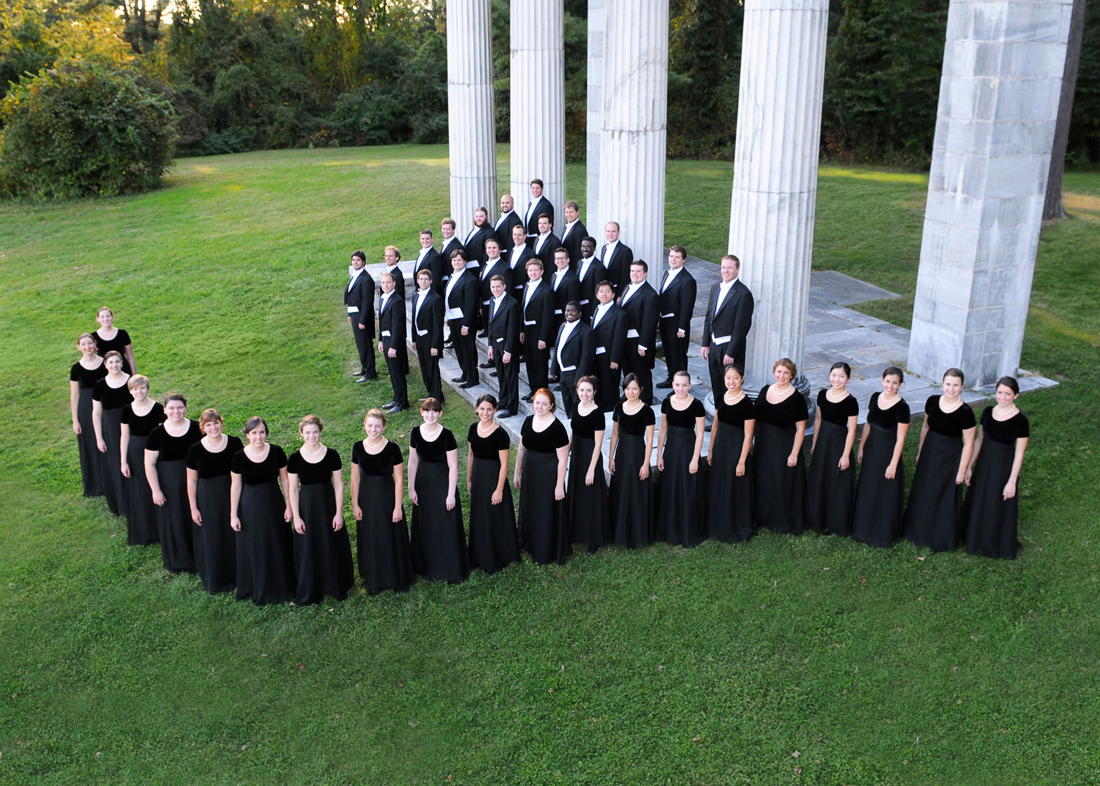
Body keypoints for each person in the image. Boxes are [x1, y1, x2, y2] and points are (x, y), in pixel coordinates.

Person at [903, 368, 976, 552]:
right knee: (925, 490)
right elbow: (926, 427)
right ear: (942, 383)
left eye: (956, 385)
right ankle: (918, 532)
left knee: (943, 495)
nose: (951, 388)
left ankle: (939, 538)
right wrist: (921, 451)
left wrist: (961, 470)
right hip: (930, 451)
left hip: (950, 456)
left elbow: (968, 444)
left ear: (962, 386)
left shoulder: (966, 412)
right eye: (948, 384)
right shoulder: (932, 401)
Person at [287, 415, 354, 605]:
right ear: (301, 433)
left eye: (315, 432)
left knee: (329, 542)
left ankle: (333, 583)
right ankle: (312, 585)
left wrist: (339, 512)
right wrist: (297, 517)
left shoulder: (332, 455)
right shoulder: (295, 458)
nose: (312, 436)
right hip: (306, 507)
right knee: (309, 545)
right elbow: (292, 489)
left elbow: (339, 484)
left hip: (327, 505)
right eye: (307, 432)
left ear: (320, 431)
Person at [963, 377, 1030, 559]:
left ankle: (991, 542)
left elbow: (1019, 454)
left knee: (995, 502)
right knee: (979, 499)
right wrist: (969, 466)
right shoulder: (987, 412)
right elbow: (978, 441)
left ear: (1015, 395)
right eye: (1000, 392)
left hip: (1003, 467)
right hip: (984, 463)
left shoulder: (1021, 421)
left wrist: (1012, 481)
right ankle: (974, 538)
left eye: (1008, 394)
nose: (1003, 397)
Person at [230, 417, 295, 605]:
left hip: (274, 503)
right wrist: (234, 514)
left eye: (262, 432)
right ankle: (259, 586)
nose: (258, 436)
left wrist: (289, 505)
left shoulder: (276, 452)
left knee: (277, 542)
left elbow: (285, 481)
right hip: (250, 507)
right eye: (254, 433)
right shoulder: (239, 457)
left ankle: (282, 585)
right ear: (247, 434)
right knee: (256, 545)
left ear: (266, 433)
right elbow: (235, 487)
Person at [351, 409, 415, 594]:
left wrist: (397, 507)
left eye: (377, 426)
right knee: (371, 537)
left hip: (387, 499)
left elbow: (399, 480)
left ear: (384, 427)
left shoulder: (393, 448)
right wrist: (355, 504)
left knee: (389, 535)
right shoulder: (357, 447)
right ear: (364, 426)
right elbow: (354, 478)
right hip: (366, 500)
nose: (373, 429)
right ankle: (375, 576)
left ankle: (393, 575)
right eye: (370, 425)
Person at [408, 398, 469, 583]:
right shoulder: (415, 433)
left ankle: (446, 566)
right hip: (423, 485)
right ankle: (425, 564)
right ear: (421, 412)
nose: (431, 414)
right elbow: (412, 461)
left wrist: (450, 494)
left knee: (444, 525)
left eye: (434, 411)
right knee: (426, 524)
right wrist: (411, 488)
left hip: (442, 485)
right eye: (427, 410)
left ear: (440, 413)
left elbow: (453, 467)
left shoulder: (447, 435)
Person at [851, 367, 911, 548]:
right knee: (868, 489)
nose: (890, 386)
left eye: (895, 382)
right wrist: (861, 446)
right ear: (882, 380)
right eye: (888, 381)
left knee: (884, 493)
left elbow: (901, 438)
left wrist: (893, 464)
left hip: (887, 453)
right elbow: (868, 424)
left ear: (900, 384)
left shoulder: (902, 407)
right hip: (871, 450)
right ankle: (863, 529)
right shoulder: (875, 397)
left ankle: (881, 533)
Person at [186, 408, 242, 594]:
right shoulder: (195, 449)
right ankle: (218, 578)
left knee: (233, 533)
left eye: (216, 423)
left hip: (232, 493)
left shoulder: (234, 443)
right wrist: (194, 508)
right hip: (207, 498)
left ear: (221, 422)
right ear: (203, 427)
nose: (213, 427)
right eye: (208, 425)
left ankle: (239, 575)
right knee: (213, 536)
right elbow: (192, 480)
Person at [145, 393, 202, 573]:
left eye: (179, 407)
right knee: (174, 519)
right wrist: (156, 490)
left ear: (185, 408)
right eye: (171, 408)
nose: (175, 411)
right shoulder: (157, 433)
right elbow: (149, 463)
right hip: (169, 484)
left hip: (196, 480)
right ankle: (179, 560)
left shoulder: (196, 428)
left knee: (195, 516)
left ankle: (200, 556)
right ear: (164, 410)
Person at [514, 389, 570, 565]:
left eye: (545, 403)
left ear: (552, 405)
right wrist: (517, 473)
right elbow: (522, 450)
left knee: (545, 511)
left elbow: (563, 459)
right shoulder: (528, 421)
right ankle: (530, 544)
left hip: (548, 474)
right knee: (531, 507)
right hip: (530, 473)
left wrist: (559, 484)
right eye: (537, 403)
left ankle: (544, 551)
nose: (540, 406)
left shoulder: (558, 428)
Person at [753, 358, 809, 535]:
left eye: (786, 372)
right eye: (779, 371)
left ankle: (780, 518)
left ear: (792, 375)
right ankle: (762, 516)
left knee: (780, 482)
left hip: (783, 445)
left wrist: (794, 453)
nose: (782, 375)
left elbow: (800, 429)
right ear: (774, 371)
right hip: (763, 443)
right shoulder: (764, 390)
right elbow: (755, 419)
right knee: (763, 479)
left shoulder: (797, 399)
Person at [466, 394, 520, 574]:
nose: (485, 412)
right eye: (482, 409)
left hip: (493, 478)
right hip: (478, 477)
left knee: (493, 515)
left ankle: (497, 554)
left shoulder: (500, 434)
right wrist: (469, 479)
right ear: (476, 409)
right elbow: (471, 455)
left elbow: (504, 464)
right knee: (479, 514)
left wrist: (499, 489)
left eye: (489, 409)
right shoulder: (473, 429)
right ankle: (478, 553)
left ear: (495, 410)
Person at [805, 362, 860, 536]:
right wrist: (815, 442)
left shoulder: (851, 402)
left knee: (836, 479)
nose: (837, 379)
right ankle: (815, 517)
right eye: (834, 375)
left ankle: (833, 521)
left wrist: (845, 455)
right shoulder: (822, 394)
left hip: (838, 443)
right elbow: (819, 419)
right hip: (823, 442)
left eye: (842, 376)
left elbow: (851, 430)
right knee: (820, 476)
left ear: (848, 379)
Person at [655, 370, 707, 547]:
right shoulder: (666, 402)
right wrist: (659, 453)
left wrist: (694, 459)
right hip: (671, 450)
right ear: (672, 385)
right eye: (677, 385)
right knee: (671, 487)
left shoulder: (697, 405)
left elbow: (700, 434)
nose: (681, 388)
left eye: (684, 385)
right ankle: (671, 530)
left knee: (688, 488)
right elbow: (663, 430)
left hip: (687, 449)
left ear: (690, 386)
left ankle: (687, 530)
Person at [707, 364, 755, 543]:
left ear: (742, 379)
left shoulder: (747, 403)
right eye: (728, 378)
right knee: (721, 484)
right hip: (721, 448)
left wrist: (742, 460)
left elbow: (749, 434)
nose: (732, 381)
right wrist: (711, 449)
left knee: (735, 486)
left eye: (735, 377)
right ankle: (720, 523)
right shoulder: (720, 397)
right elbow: (716, 425)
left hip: (736, 448)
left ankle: (736, 524)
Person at [609, 374, 656, 548]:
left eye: (634, 388)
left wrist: (645, 464)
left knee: (636, 492)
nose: (631, 391)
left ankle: (636, 534)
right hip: (621, 455)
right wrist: (611, 457)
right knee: (621, 490)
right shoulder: (618, 408)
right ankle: (619, 532)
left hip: (637, 454)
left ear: (641, 390)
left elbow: (650, 440)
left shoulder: (647, 411)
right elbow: (614, 434)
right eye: (628, 388)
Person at [119, 375, 165, 546]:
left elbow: (164, 434)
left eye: (142, 388)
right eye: (135, 389)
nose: (139, 391)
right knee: (140, 491)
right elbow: (124, 437)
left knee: (157, 487)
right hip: (135, 454)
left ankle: (160, 530)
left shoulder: (158, 408)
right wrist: (123, 461)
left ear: (147, 388)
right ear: (130, 391)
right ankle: (145, 531)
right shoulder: (126, 410)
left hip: (155, 453)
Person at [701, 255, 754, 398]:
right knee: (716, 386)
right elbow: (709, 317)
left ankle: (730, 420)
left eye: (730, 268)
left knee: (730, 389)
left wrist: (731, 351)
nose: (725, 270)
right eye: (723, 267)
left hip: (729, 349)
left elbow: (742, 326)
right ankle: (718, 417)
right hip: (713, 346)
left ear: (737, 269)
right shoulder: (715, 287)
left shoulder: (743, 294)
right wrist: (705, 343)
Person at [567, 376, 609, 553]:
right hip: (576, 455)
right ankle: (576, 532)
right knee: (577, 494)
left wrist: (591, 470)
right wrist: (565, 453)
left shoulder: (598, 413)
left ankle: (593, 538)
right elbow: (573, 432)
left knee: (590, 498)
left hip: (590, 456)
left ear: (594, 392)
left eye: (588, 391)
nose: (585, 394)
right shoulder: (576, 406)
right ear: (577, 391)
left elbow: (598, 444)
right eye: (582, 390)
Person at [91, 350, 132, 517]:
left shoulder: (130, 381)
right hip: (110, 428)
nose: (114, 365)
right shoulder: (100, 385)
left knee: (132, 461)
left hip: (131, 426)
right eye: (111, 362)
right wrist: (99, 437)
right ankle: (122, 504)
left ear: (122, 363)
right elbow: (96, 413)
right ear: (105, 365)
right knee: (116, 463)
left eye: (117, 361)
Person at [70, 333, 107, 497]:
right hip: (86, 407)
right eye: (83, 344)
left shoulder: (105, 362)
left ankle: (110, 482)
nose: (87, 347)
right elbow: (75, 395)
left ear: (94, 344)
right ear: (79, 347)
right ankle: (95, 485)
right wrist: (75, 420)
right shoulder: (76, 368)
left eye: (89, 343)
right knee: (91, 443)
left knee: (107, 440)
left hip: (105, 404)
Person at [619, 261, 660, 404]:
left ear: (645, 273)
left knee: (641, 371)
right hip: (625, 338)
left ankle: (646, 398)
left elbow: (649, 322)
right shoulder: (627, 287)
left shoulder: (650, 294)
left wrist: (643, 344)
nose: (634, 274)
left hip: (638, 341)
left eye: (638, 271)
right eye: (632, 271)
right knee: (628, 370)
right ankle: (629, 395)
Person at [656, 245, 697, 387]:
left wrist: (682, 328)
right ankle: (671, 378)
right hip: (665, 321)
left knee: (678, 354)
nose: (673, 259)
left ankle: (681, 384)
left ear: (684, 260)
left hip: (677, 323)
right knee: (668, 351)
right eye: (671, 256)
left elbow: (687, 306)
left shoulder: (687, 280)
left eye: (677, 257)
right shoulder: (667, 274)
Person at [444, 250, 480, 388]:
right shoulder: (452, 276)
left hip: (464, 321)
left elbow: (470, 304)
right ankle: (465, 373)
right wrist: (448, 316)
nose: (456, 263)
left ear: (465, 262)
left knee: (468, 349)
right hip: (454, 319)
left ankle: (472, 378)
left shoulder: (470, 280)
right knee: (459, 348)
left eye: (459, 260)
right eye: (454, 260)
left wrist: (466, 324)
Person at [589, 281, 627, 412]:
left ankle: (611, 415)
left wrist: (615, 359)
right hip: (596, 356)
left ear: (613, 294)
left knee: (610, 387)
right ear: (597, 295)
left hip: (609, 357)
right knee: (598, 386)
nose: (604, 294)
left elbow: (619, 338)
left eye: (607, 291)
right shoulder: (597, 309)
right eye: (601, 291)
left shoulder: (619, 314)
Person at [551, 302, 594, 417]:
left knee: (577, 405)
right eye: (567, 310)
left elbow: (586, 357)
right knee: (567, 402)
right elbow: (558, 348)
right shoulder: (562, 326)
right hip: (563, 373)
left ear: (580, 313)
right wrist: (554, 368)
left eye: (573, 311)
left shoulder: (586, 331)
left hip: (575, 374)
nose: (570, 313)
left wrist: (579, 377)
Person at [486, 275, 521, 417]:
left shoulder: (512, 304)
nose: (495, 289)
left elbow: (513, 330)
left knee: (511, 377)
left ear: (504, 286)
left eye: (498, 286)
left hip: (507, 346)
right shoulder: (492, 301)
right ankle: (503, 400)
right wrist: (490, 345)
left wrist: (508, 350)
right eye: (493, 287)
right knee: (501, 374)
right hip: (496, 344)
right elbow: (490, 324)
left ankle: (512, 407)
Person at [520, 259, 555, 400]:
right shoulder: (527, 286)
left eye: (536, 270)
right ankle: (533, 390)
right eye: (530, 270)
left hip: (539, 332)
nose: (533, 273)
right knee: (530, 362)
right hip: (528, 331)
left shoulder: (546, 290)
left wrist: (543, 338)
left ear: (541, 271)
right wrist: (522, 330)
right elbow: (523, 310)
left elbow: (548, 316)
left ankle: (542, 393)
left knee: (540, 364)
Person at [377, 271, 409, 412]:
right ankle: (396, 398)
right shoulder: (383, 298)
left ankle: (402, 403)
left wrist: (394, 346)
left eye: (388, 282)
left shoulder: (397, 301)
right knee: (392, 371)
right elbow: (382, 322)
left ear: (394, 283)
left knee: (397, 372)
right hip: (386, 340)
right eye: (383, 282)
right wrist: (380, 340)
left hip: (394, 343)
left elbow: (398, 326)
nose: (385, 285)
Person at [412, 269, 445, 403]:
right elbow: (414, 319)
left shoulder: (435, 299)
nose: (423, 281)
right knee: (424, 367)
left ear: (431, 281)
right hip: (420, 338)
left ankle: (437, 397)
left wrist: (435, 345)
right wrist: (414, 339)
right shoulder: (416, 296)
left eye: (426, 279)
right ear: (417, 281)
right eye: (421, 279)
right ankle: (430, 393)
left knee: (432, 369)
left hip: (430, 338)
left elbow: (438, 325)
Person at [345, 250, 377, 383]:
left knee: (366, 344)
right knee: (360, 343)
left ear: (363, 262)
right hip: (354, 314)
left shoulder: (366, 279)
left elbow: (367, 301)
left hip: (362, 316)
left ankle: (370, 372)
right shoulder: (355, 275)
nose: (355, 262)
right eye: (353, 260)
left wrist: (363, 320)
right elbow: (352, 296)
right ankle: (365, 367)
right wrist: (349, 313)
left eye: (358, 260)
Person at [479, 238, 511, 336]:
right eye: (489, 248)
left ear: (499, 250)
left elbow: (508, 290)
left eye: (494, 248)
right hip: (486, 305)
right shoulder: (485, 265)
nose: (491, 250)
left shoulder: (505, 268)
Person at [92, 306, 136, 374]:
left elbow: (130, 357)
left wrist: (134, 377)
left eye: (108, 316)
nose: (106, 319)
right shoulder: (93, 337)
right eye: (102, 317)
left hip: (123, 372)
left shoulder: (123, 334)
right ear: (98, 319)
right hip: (103, 374)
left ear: (113, 317)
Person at [549, 247, 580, 341]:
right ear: (554, 261)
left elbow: (573, 301)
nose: (560, 261)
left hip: (564, 317)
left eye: (563, 258)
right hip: (553, 317)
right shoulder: (553, 276)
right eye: (558, 258)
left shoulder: (573, 279)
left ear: (568, 260)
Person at [574, 237, 605, 323]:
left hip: (589, 307)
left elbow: (598, 291)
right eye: (583, 246)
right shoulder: (579, 263)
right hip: (578, 307)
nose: (585, 249)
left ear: (594, 248)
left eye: (588, 247)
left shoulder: (599, 267)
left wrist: (593, 314)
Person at [600, 222, 634, 295]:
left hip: (616, 291)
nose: (610, 234)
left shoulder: (625, 251)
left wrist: (620, 295)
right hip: (604, 292)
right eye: (608, 231)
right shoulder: (604, 248)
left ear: (618, 232)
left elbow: (626, 275)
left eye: (613, 231)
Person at [413, 229, 445, 297]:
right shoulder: (421, 254)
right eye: (423, 239)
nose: (425, 241)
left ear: (432, 239)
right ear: (420, 239)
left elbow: (436, 280)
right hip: (420, 292)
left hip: (428, 295)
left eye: (427, 239)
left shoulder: (435, 256)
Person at [508, 221, 535, 302]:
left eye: (519, 235)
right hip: (510, 292)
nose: (516, 237)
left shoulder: (531, 254)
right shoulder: (510, 251)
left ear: (525, 236)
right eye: (514, 234)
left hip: (523, 292)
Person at [523, 179, 554, 244]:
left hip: (539, 238)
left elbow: (548, 224)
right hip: (529, 239)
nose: (535, 190)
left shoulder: (546, 205)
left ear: (542, 189)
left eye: (537, 188)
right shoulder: (531, 203)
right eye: (533, 188)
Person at [560, 200, 588, 267]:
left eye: (571, 212)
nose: (568, 215)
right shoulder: (565, 227)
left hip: (573, 267)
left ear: (577, 212)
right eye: (566, 212)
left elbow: (579, 254)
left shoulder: (580, 231)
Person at [439, 218, 464, 283]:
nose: (445, 231)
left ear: (453, 230)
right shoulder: (445, 243)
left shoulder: (457, 246)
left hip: (451, 279)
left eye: (448, 229)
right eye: (443, 229)